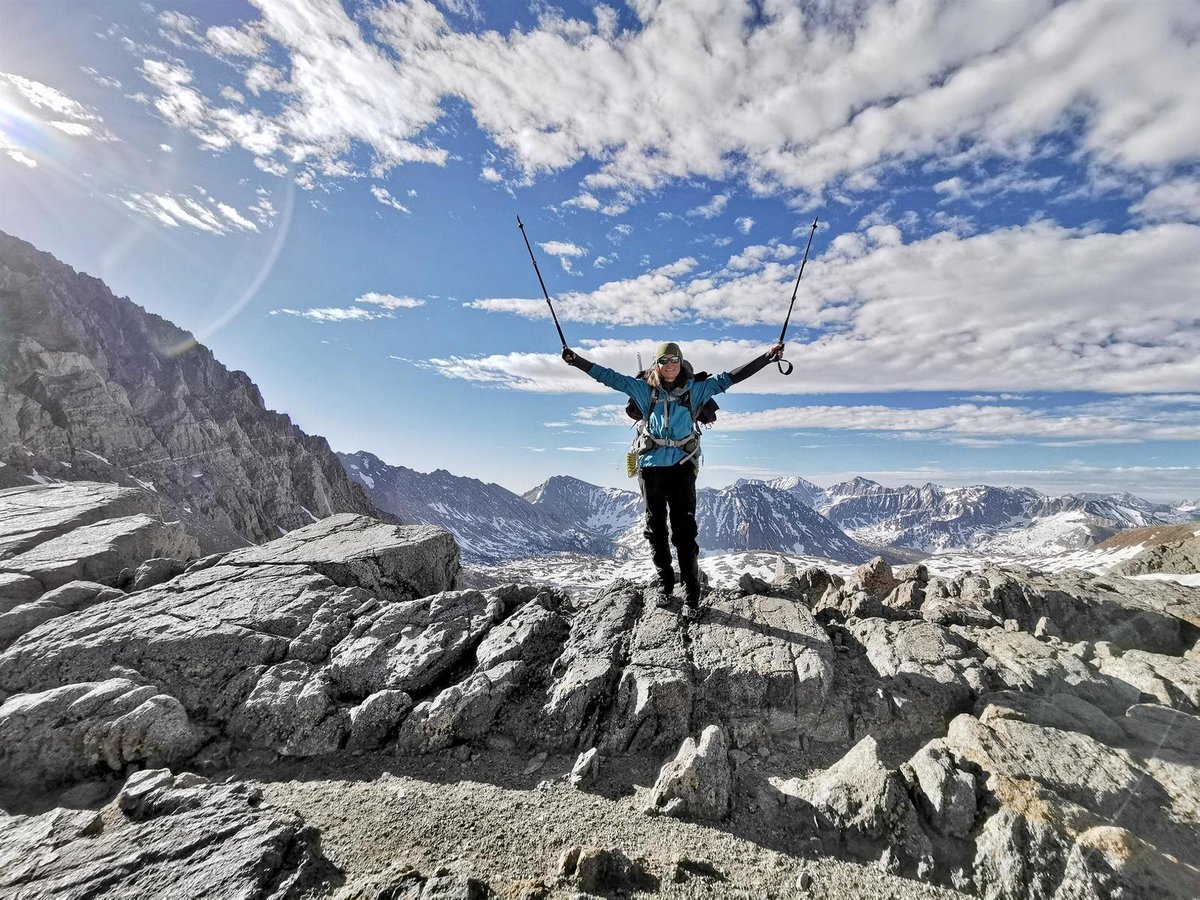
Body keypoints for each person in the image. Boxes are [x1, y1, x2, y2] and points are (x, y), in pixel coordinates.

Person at [562, 339, 784, 619]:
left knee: (684, 532)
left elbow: (733, 376)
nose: (670, 366)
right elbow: (608, 377)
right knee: (656, 529)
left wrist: (767, 357)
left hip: (681, 467)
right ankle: (666, 586)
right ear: (657, 365)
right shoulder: (644, 389)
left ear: (681, 363)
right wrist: (576, 360)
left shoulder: (698, 389)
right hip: (651, 467)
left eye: (674, 360)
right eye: (664, 361)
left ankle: (691, 596)